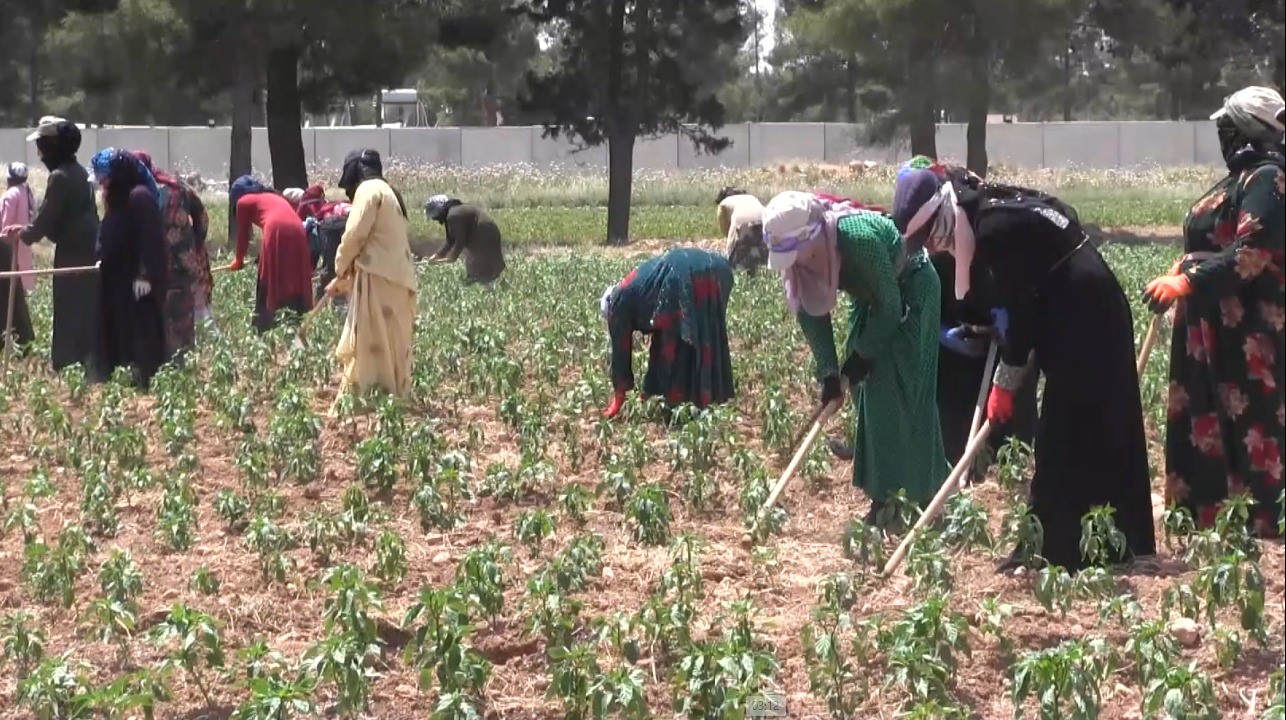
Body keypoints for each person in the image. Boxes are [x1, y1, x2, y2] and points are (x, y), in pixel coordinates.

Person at [894, 163, 1155, 572]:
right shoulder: (985, 209)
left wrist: (1005, 382)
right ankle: (1089, 544)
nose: (932, 247)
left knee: (1067, 431)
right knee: (1083, 425)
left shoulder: (992, 226)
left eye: (929, 237)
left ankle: (1062, 550)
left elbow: (1021, 309)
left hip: (1087, 313)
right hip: (1079, 304)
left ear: (941, 215)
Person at [1143, 86, 1285, 536]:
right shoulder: (1242, 179)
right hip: (1214, 327)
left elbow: (1253, 252)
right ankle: (1210, 514)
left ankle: (1257, 521)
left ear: (1243, 131)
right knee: (1211, 420)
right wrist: (1186, 264)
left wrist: (1189, 280)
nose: (1221, 136)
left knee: (1251, 421)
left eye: (1226, 127)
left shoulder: (1268, 179)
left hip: (1245, 331)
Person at [763, 190, 948, 524]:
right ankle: (885, 494)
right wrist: (831, 373)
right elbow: (810, 311)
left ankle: (918, 498)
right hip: (875, 296)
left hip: (911, 290)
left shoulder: (857, 239)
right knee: (871, 395)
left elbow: (890, 307)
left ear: (810, 238)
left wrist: (862, 357)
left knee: (900, 389)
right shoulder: (807, 258)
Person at [2, 117, 101, 376]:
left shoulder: (60, 177)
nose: (40, 154)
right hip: (88, 249)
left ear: (53, 147)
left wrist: (23, 234)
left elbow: (47, 218)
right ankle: (86, 359)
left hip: (72, 253)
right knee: (85, 307)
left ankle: (66, 363)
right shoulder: (80, 172)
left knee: (68, 306)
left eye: (43, 146)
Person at [600, 247, 735, 419]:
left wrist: (619, 395)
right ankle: (710, 396)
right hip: (718, 268)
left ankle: (677, 402)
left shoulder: (618, 303)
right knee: (707, 329)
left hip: (681, 275)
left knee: (674, 343)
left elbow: (621, 351)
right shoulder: (636, 287)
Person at [327, 149, 418, 399]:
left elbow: (354, 234)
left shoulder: (368, 191)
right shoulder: (388, 192)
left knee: (371, 343)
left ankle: (367, 398)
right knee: (391, 344)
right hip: (397, 278)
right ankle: (393, 397)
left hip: (379, 278)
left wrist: (340, 268)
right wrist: (346, 276)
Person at [90, 149, 167, 389]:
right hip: (116, 277)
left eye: (106, 176)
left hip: (135, 281)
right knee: (117, 326)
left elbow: (151, 239)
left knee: (137, 330)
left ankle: (142, 378)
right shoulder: (118, 198)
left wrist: (145, 274)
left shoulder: (140, 197)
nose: (103, 181)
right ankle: (120, 373)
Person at [134, 151, 210, 357]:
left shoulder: (140, 192)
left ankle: (164, 363)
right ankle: (182, 361)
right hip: (184, 262)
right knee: (182, 315)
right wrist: (195, 243)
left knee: (158, 316)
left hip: (156, 265)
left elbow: (140, 234)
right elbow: (202, 216)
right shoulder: (178, 187)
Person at [228, 176, 314, 332]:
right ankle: (296, 320)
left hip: (276, 229)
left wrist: (238, 259)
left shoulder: (243, 201)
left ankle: (265, 325)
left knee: (268, 275)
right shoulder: (274, 196)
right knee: (294, 273)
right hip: (299, 231)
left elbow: (243, 236)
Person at [424, 195, 505, 284]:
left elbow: (460, 240)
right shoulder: (452, 213)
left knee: (478, 269)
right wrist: (437, 255)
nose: (435, 219)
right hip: (487, 234)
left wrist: (452, 257)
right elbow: (450, 240)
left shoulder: (454, 215)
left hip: (484, 236)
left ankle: (487, 285)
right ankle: (491, 283)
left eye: (434, 217)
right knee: (479, 269)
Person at [297, 184, 353, 301]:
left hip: (331, 230)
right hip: (353, 232)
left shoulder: (325, 214)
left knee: (330, 270)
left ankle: (321, 302)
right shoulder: (346, 207)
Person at [2, 163, 37, 292]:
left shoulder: (10, 194)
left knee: (11, 286)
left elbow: (5, 226)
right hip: (25, 242)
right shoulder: (27, 192)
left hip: (10, 247)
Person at [716, 186, 767, 273]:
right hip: (765, 219)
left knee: (735, 255)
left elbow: (725, 229)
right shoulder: (751, 197)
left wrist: (731, 243)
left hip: (741, 222)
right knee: (762, 248)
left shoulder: (723, 203)